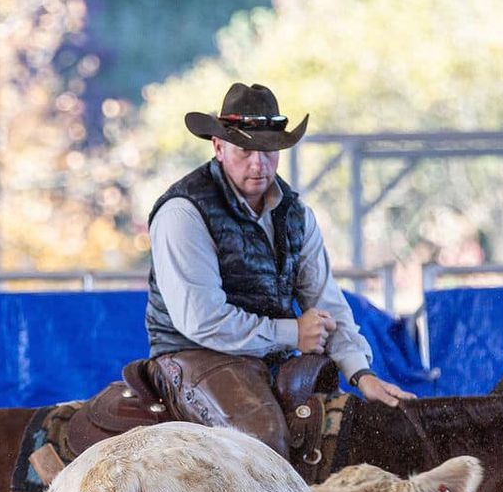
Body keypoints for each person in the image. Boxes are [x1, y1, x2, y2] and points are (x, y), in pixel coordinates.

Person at [145, 81, 413, 459]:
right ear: (218, 147)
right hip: (191, 355)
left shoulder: (296, 214)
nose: (259, 164)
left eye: (269, 150)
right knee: (262, 441)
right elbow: (201, 321)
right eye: (245, 150)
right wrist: (293, 333)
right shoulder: (183, 212)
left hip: (268, 354)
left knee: (348, 431)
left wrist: (359, 372)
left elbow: (325, 302)